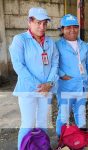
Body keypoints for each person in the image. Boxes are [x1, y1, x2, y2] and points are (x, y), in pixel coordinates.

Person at [9, 7, 59, 149]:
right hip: (28, 89)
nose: (42, 27)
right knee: (28, 123)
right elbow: (19, 66)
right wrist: (39, 86)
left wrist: (49, 83)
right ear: (29, 22)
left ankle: (41, 147)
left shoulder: (50, 42)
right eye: (38, 23)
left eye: (44, 23)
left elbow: (55, 63)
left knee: (42, 122)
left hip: (47, 89)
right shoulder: (20, 40)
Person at [55, 14, 88, 137]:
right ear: (62, 29)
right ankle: (61, 138)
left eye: (75, 27)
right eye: (68, 27)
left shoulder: (84, 45)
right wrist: (62, 74)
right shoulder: (57, 45)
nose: (72, 30)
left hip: (82, 85)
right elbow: (53, 64)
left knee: (80, 112)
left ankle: (81, 136)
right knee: (64, 114)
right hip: (66, 85)